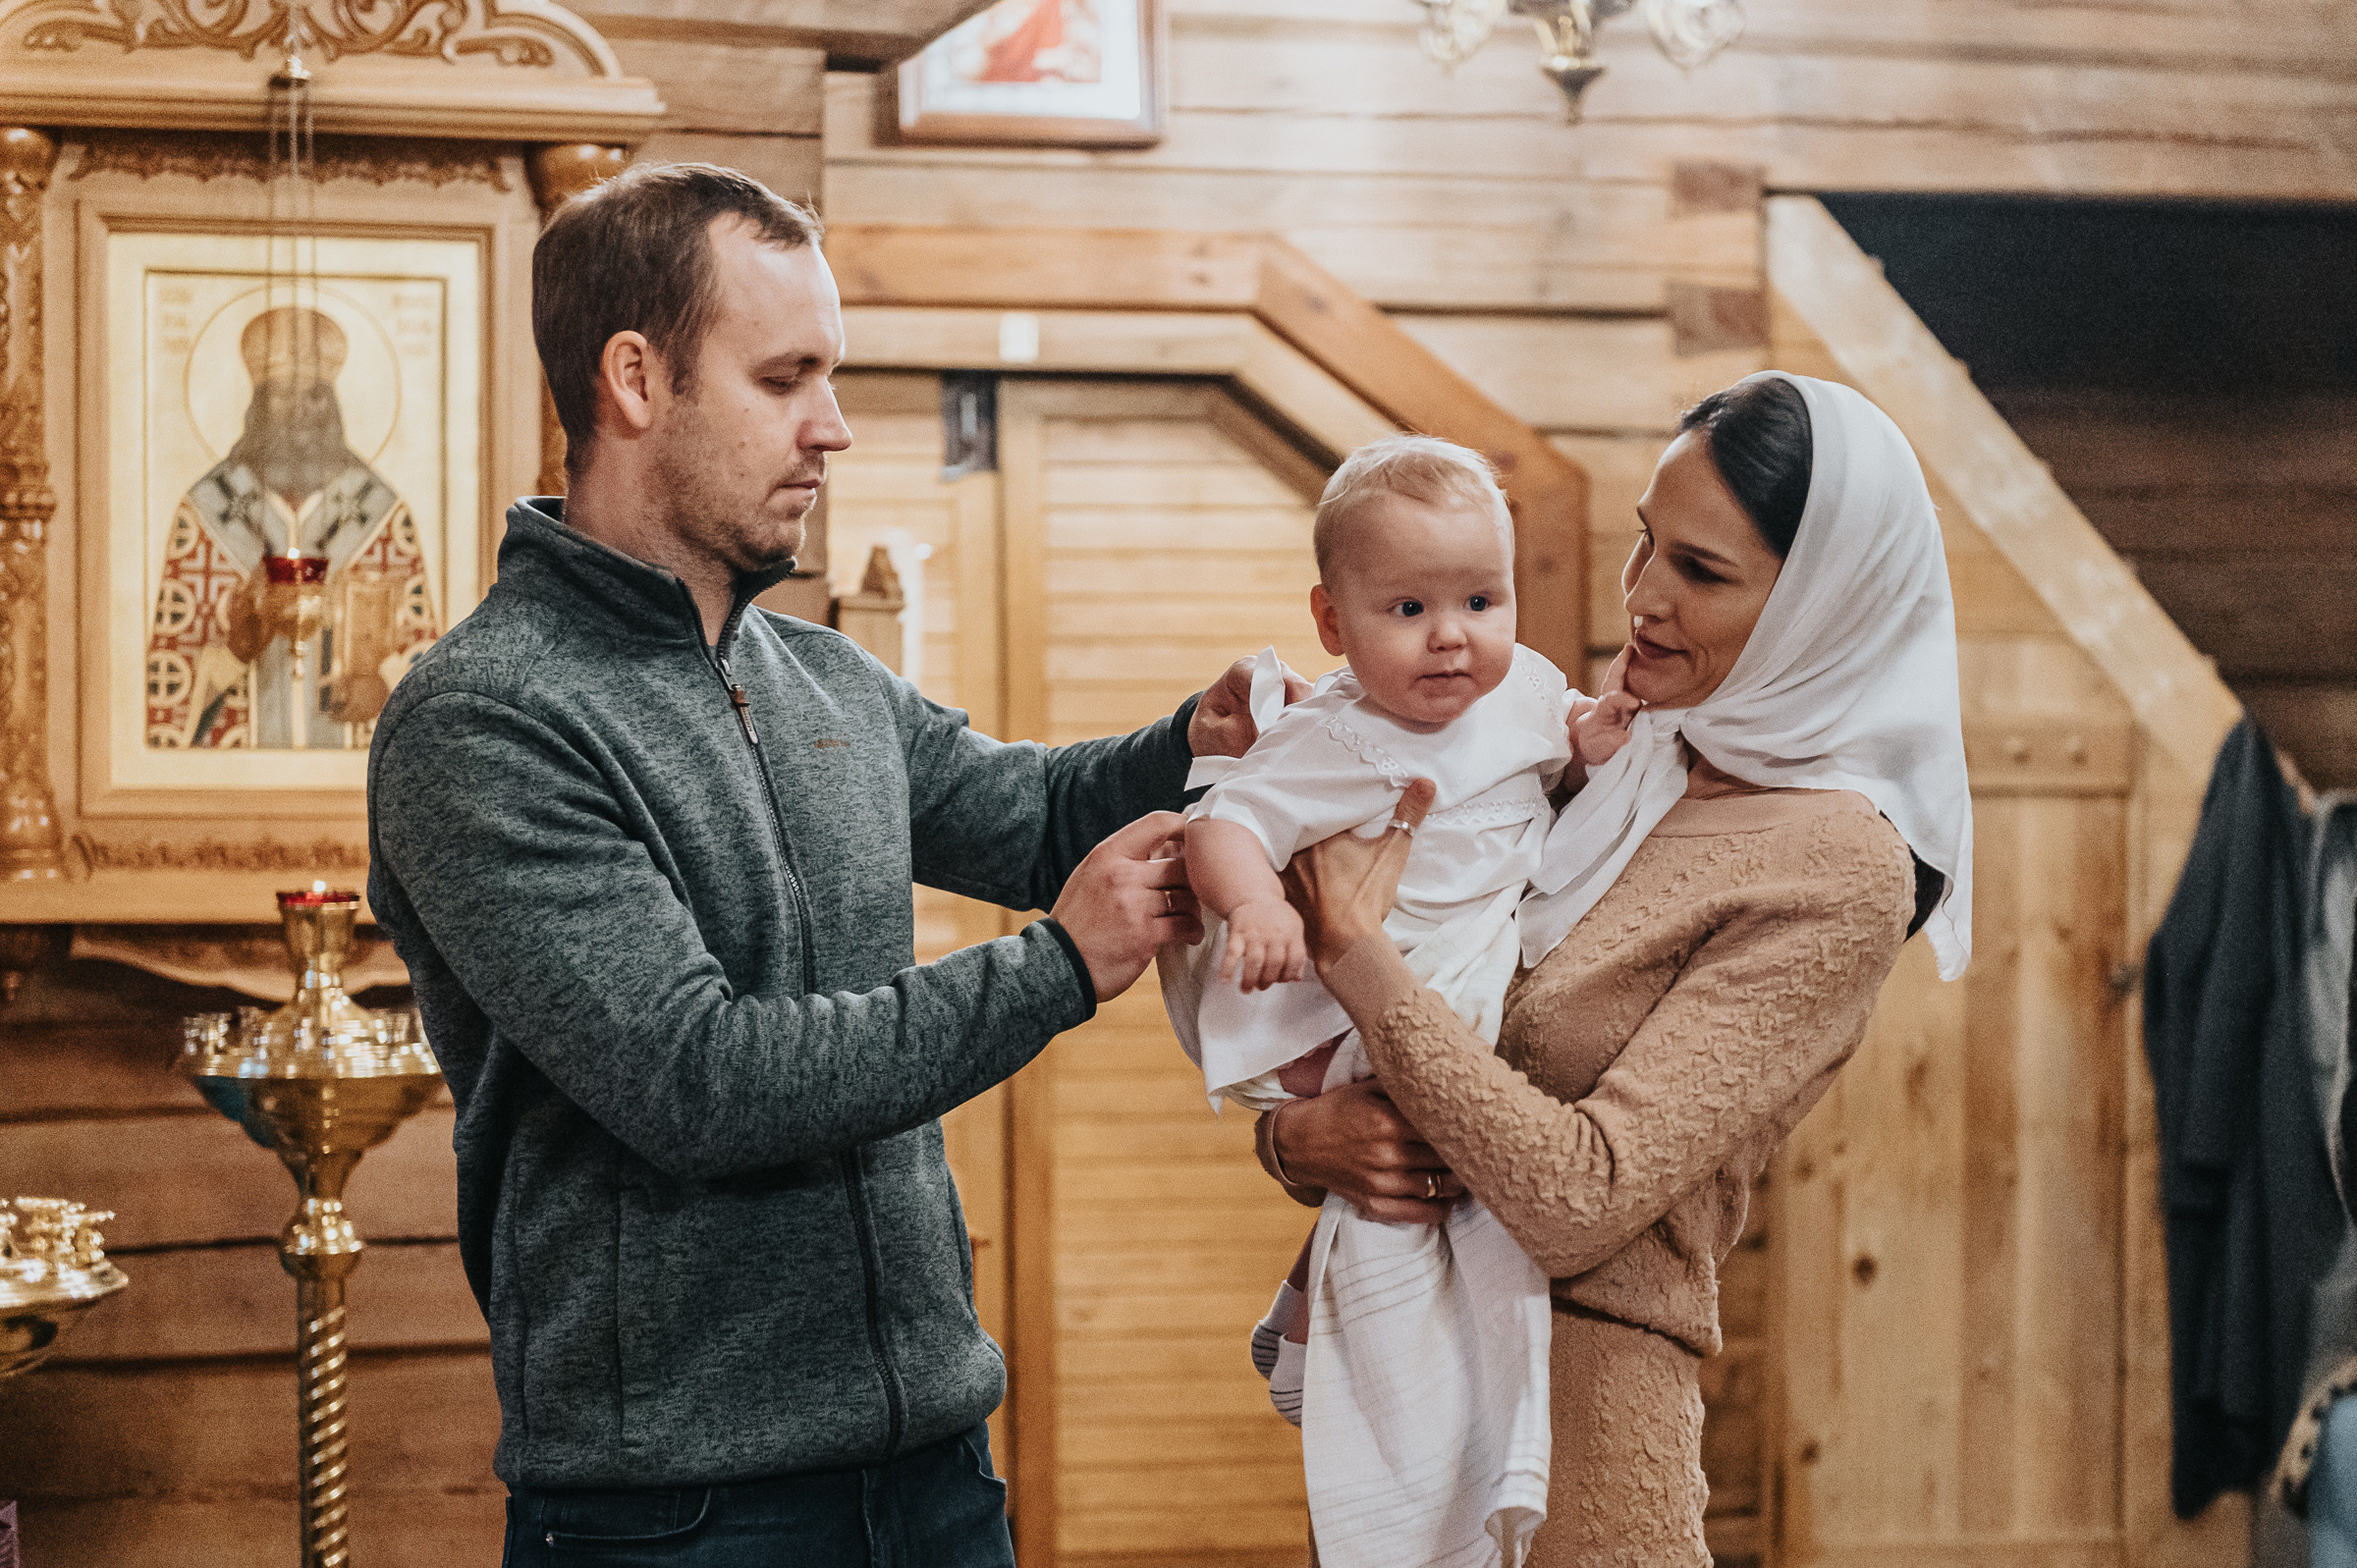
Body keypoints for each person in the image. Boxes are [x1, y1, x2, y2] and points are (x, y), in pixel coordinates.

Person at [365, 162, 1274, 1567]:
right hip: (679, 1513)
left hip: (934, 1474)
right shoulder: (486, 720)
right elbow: (698, 1081)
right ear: (634, 378)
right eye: (788, 377)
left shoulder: (822, 677)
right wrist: (1053, 969)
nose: (833, 428)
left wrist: (1187, 740)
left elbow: (1030, 819)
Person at [1261, 372, 1973, 1566]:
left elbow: (1580, 1197)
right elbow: (1451, 1037)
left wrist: (1353, 954)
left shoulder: (1843, 864)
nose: (1641, 596)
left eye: (1702, 571)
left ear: (1821, 607)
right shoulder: (1628, 754)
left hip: (1580, 1448)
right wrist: (1295, 1140)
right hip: (1420, 1406)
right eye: (1648, 541)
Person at [1161, 434, 1635, 1567]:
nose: (1452, 635)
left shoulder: (1522, 686)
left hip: (1469, 979)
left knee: (1449, 1187)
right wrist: (1262, 910)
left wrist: (1593, 741)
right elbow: (1221, 824)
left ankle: (1375, 1376)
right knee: (1408, 1188)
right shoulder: (1333, 736)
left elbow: (1558, 741)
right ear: (1333, 623)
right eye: (1409, 606)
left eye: (1482, 596)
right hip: (1375, 1006)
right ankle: (1366, 1396)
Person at [148, 305, 435, 749]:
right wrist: (233, 653)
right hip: (236, 788)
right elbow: (168, 683)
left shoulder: (381, 513)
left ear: (334, 402)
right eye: (282, 395)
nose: (300, 413)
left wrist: (385, 690)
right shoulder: (206, 511)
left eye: (315, 395)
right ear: (257, 404)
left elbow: (429, 661)